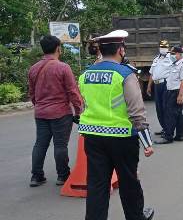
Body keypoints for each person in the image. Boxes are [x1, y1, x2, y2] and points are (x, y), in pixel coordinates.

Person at [77, 30, 154, 220]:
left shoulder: (85, 74)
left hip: (92, 137)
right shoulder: (125, 74)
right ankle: (136, 217)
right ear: (121, 50)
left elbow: (83, 104)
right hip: (122, 139)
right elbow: (137, 111)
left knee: (97, 184)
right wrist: (147, 142)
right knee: (129, 182)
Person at [27, 35, 84, 187]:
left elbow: (32, 93)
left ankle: (36, 176)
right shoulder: (63, 67)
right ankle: (63, 176)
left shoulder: (33, 68)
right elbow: (73, 92)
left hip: (41, 113)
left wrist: (39, 106)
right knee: (60, 145)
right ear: (58, 48)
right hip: (60, 113)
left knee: (40, 144)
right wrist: (79, 111)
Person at [154, 46, 183, 144]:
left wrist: (180, 95)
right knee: (178, 115)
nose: (171, 55)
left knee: (170, 114)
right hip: (172, 91)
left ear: (179, 54)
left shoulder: (182, 65)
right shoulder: (173, 65)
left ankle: (168, 136)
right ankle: (180, 135)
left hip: (176, 92)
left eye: (173, 53)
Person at [146, 40, 171, 136]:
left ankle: (169, 129)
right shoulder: (156, 59)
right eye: (161, 47)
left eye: (165, 47)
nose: (163, 49)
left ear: (168, 48)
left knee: (166, 107)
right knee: (159, 108)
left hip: (165, 84)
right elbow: (152, 73)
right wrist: (149, 86)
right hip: (156, 85)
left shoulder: (171, 58)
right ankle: (164, 127)